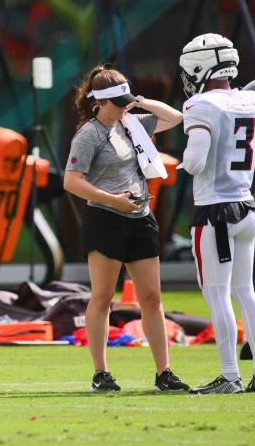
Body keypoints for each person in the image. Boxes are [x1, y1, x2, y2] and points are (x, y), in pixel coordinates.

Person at [64, 64, 189, 393]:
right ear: (99, 103)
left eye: (125, 101)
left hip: (140, 217)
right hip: (105, 218)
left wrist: (138, 101)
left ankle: (164, 373)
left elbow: (175, 117)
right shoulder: (89, 134)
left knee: (152, 298)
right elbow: (72, 181)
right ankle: (100, 373)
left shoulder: (132, 122)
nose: (123, 107)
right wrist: (112, 199)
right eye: (117, 102)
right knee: (103, 297)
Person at [179, 33, 255, 394]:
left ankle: (230, 375)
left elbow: (196, 160)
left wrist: (174, 163)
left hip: (214, 211)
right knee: (245, 291)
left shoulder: (200, 105)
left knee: (217, 294)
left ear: (200, 67)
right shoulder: (252, 100)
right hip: (247, 206)